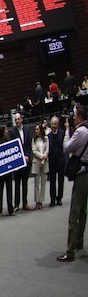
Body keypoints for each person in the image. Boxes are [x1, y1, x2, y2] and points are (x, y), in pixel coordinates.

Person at [57, 105, 88, 262]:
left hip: (82, 176)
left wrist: (67, 131)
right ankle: (79, 242)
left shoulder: (80, 132)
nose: (73, 118)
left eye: (75, 116)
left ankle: (70, 251)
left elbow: (66, 148)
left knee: (74, 214)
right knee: (83, 212)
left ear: (80, 117)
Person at [9, 112, 32, 211]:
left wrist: (27, 155)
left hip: (26, 161)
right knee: (17, 183)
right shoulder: (12, 132)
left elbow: (29, 145)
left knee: (25, 183)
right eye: (15, 120)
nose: (17, 121)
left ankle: (25, 203)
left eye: (18, 119)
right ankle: (17, 204)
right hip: (17, 162)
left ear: (22, 119)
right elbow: (12, 147)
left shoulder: (27, 130)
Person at [0, 126, 14, 216]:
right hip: (1, 171)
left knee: (9, 189)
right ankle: (0, 209)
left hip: (8, 169)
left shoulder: (8, 141)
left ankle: (10, 208)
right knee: (1, 190)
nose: (7, 131)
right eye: (6, 130)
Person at [48, 116, 66, 207]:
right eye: (52, 124)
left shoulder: (63, 133)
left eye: (55, 124)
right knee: (52, 181)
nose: (54, 126)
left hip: (61, 160)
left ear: (58, 124)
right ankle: (52, 199)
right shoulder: (48, 136)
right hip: (52, 161)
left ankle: (59, 198)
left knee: (61, 181)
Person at [31, 124, 49, 210]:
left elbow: (47, 150)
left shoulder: (46, 139)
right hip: (36, 163)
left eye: (37, 129)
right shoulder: (33, 140)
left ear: (41, 130)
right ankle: (37, 201)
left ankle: (41, 201)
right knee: (36, 184)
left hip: (44, 163)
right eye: (35, 129)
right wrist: (42, 157)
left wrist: (43, 160)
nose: (36, 131)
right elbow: (34, 152)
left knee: (43, 183)